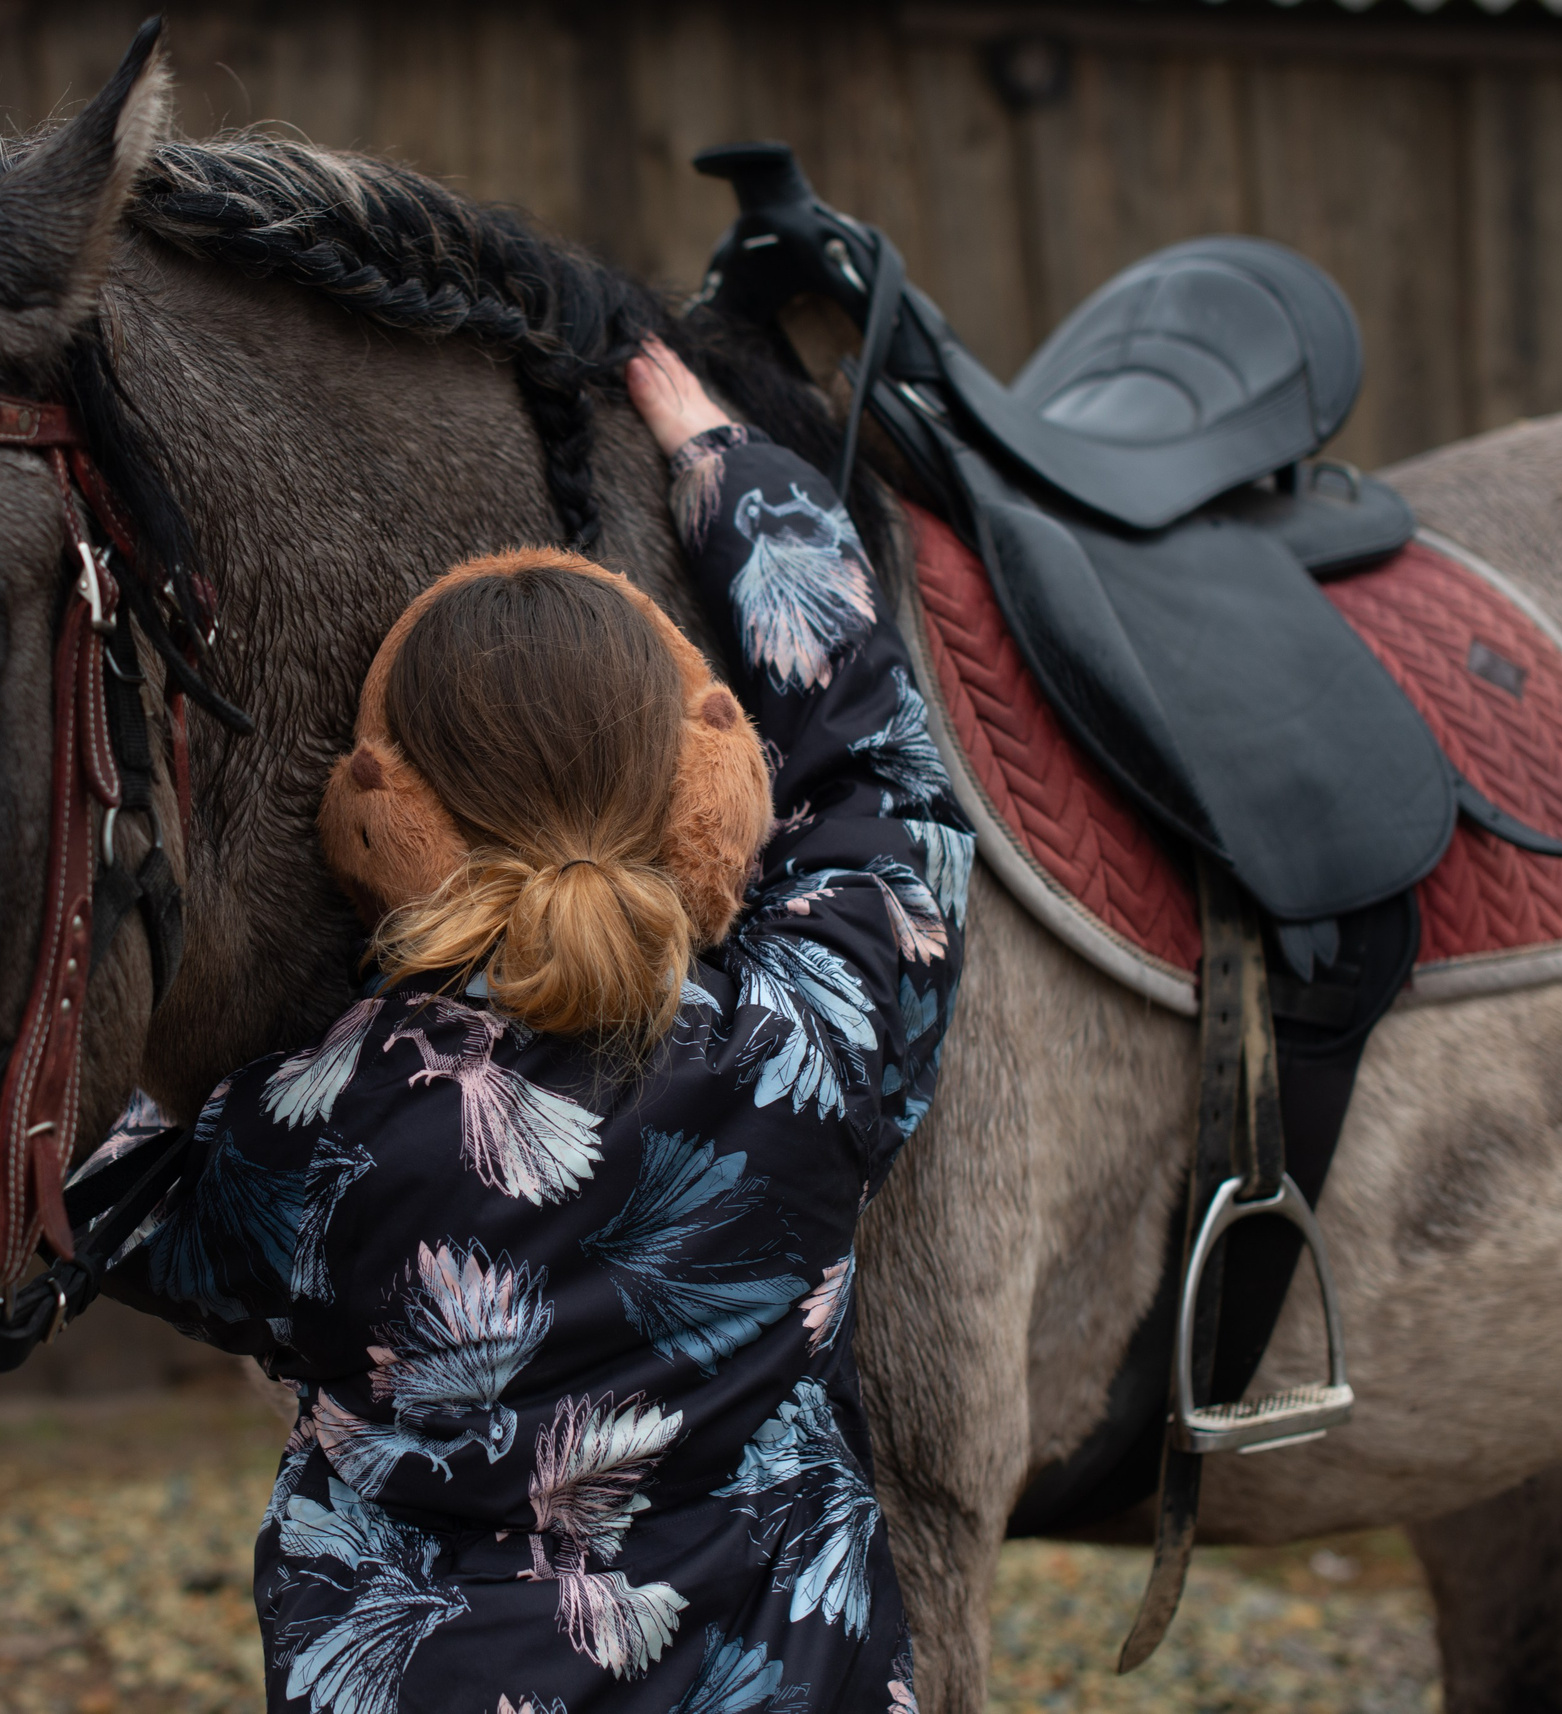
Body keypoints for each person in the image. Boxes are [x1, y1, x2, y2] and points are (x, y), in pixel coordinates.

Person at [95, 339, 972, 1714]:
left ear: (383, 807)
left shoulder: (302, 1134)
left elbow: (105, 1192)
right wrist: (735, 474)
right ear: (698, 778)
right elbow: (885, 777)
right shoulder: (814, 1039)